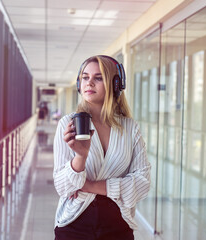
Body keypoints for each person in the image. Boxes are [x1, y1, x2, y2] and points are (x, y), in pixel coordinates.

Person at [53, 55, 151, 240]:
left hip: (118, 226)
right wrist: (80, 158)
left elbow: (142, 184)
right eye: (85, 77)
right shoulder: (68, 124)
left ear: (115, 85)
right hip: (73, 227)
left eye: (98, 78)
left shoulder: (130, 128)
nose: (89, 83)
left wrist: (89, 185)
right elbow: (63, 188)